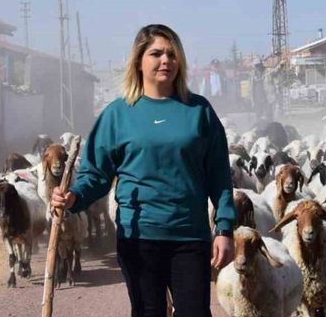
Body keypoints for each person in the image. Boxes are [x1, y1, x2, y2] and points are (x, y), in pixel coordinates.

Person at [51, 24, 235, 317]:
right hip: (139, 236)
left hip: (189, 236)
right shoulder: (118, 114)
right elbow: (96, 174)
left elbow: (219, 177)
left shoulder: (199, 111)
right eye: (156, 53)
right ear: (138, 60)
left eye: (173, 55)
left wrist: (224, 228)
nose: (166, 61)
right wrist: (73, 197)